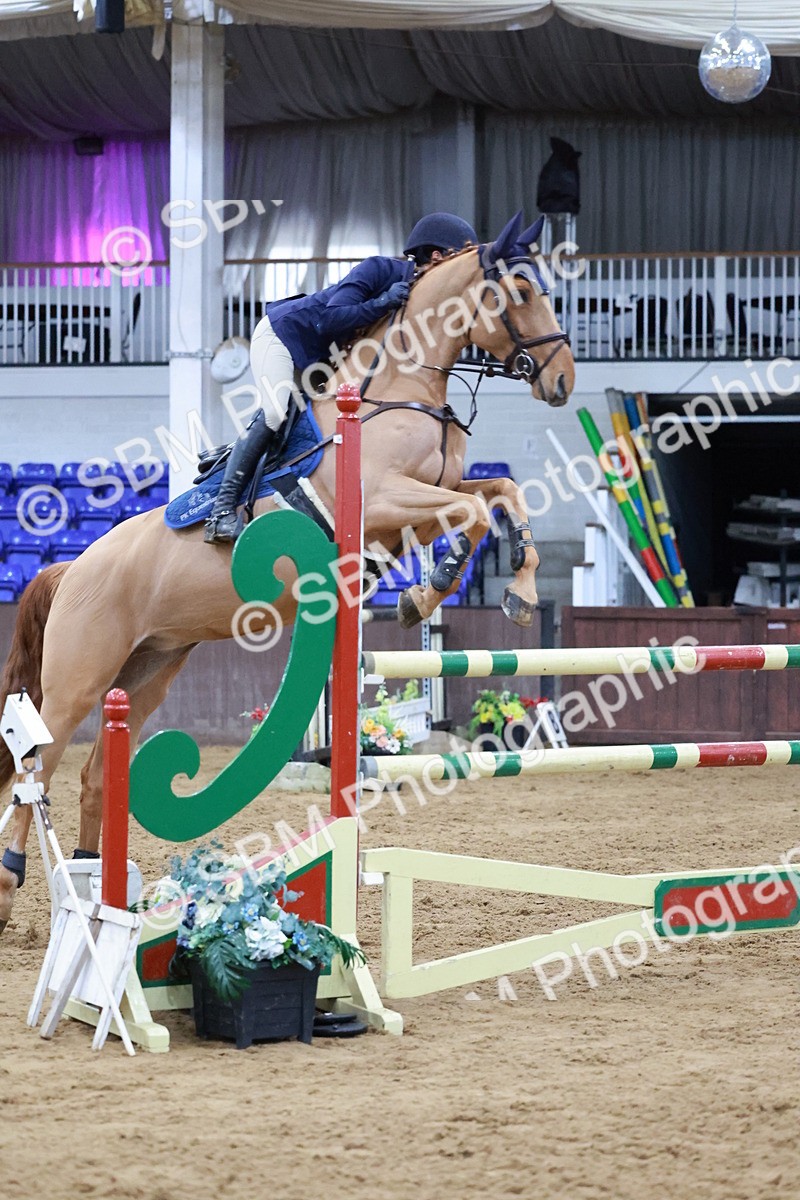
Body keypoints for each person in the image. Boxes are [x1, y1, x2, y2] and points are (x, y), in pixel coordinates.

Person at [204, 212, 478, 543]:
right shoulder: (380, 270)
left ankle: (237, 458)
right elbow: (331, 318)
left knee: (307, 426)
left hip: (321, 358)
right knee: (276, 412)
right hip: (285, 335)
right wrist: (381, 302)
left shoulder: (420, 301)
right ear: (436, 257)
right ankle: (220, 512)